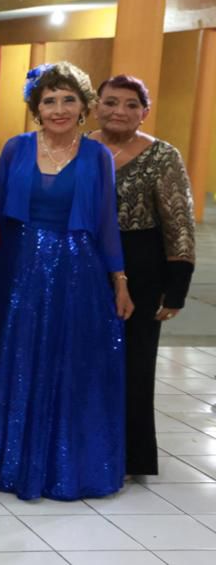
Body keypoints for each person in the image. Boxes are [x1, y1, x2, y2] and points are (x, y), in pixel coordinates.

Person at [0, 62, 133, 500]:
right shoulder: (17, 148)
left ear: (84, 107)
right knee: (10, 359)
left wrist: (118, 280)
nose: (59, 108)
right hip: (16, 267)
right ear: (36, 107)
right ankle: (2, 459)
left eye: (68, 100)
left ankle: (58, 466)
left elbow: (105, 224)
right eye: (50, 100)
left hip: (76, 272)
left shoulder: (97, 156)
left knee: (65, 363)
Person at [89, 74, 196, 477]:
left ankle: (129, 457)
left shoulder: (162, 155)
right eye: (111, 102)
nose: (120, 111)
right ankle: (79, 448)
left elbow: (179, 222)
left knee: (134, 363)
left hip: (143, 270)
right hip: (83, 265)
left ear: (145, 111)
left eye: (131, 104)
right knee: (84, 358)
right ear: (96, 105)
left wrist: (177, 287)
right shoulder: (79, 148)